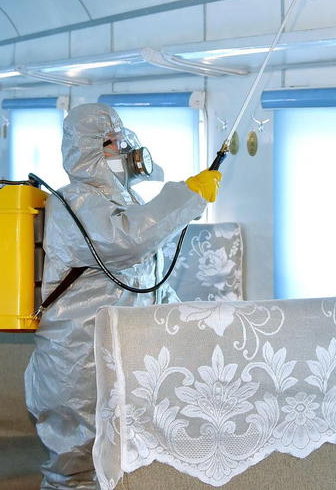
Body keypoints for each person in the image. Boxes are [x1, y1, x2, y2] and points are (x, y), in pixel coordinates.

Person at [23, 103, 221, 489]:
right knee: (76, 467)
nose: (123, 149)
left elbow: (147, 277)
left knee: (121, 462)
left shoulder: (123, 202)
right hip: (77, 357)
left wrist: (188, 321)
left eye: (120, 139)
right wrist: (187, 196)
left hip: (118, 350)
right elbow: (127, 241)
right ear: (87, 149)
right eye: (110, 142)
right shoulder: (72, 201)